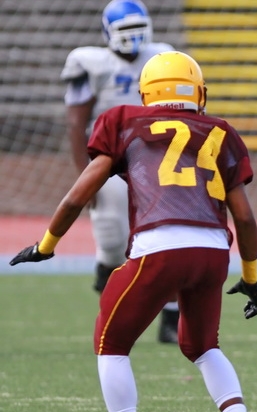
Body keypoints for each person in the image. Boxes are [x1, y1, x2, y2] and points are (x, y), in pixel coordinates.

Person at [10, 51, 257, 412]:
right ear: (197, 92)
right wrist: (251, 277)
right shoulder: (219, 131)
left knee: (111, 343)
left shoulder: (125, 120)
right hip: (210, 250)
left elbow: (78, 194)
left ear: (148, 92)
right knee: (204, 347)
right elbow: (243, 217)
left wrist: (47, 244)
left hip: (158, 245)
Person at [62, 0, 179, 343]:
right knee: (114, 243)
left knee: (168, 239)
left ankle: (171, 320)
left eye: (136, 29)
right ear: (107, 33)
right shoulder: (91, 63)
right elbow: (75, 123)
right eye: (124, 31)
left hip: (154, 159)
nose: (132, 38)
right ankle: (105, 269)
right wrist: (84, 174)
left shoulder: (161, 57)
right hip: (109, 160)